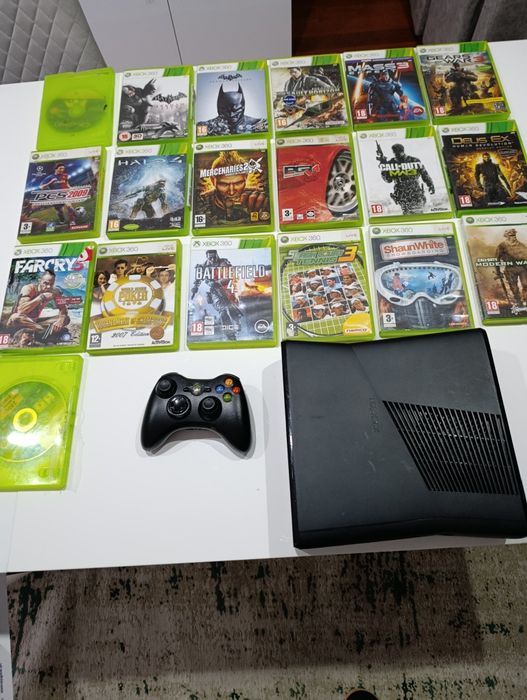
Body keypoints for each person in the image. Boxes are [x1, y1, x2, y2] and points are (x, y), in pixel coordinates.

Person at [196, 150, 269, 226]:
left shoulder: (258, 196)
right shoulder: (201, 201)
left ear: (246, 178)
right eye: (224, 184)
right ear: (212, 180)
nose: (231, 192)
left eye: (238, 183)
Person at [5, 269, 70, 344]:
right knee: (15, 317)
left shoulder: (54, 291)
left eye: (51, 284)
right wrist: (41, 297)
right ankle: (44, 333)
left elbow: (63, 309)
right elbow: (21, 310)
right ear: (40, 281)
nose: (48, 286)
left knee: (66, 318)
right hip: (19, 323)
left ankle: (40, 332)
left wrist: (61, 320)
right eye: (45, 283)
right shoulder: (28, 288)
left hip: (34, 323)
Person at [378, 143, 435, 215]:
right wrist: (383, 166)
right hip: (402, 194)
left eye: (398, 152)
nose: (396, 154)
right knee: (407, 214)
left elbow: (424, 174)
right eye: (395, 152)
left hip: (415, 191)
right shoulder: (391, 163)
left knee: (418, 212)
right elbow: (388, 180)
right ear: (393, 152)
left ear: (402, 151)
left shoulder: (414, 160)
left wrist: (430, 185)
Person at [197, 83, 266, 136]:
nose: (231, 115)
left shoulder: (257, 123)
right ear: (219, 108)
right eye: (226, 111)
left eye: (236, 110)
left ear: (243, 107)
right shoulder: (209, 126)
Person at [495, 228, 527, 306]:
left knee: (525, 284)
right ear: (507, 236)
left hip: (522, 268)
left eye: (514, 235)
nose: (514, 237)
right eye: (511, 235)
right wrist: (498, 272)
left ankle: (525, 300)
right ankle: (519, 302)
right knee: (514, 288)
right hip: (510, 269)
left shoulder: (521, 245)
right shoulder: (502, 246)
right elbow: (497, 259)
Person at [39, 162, 77, 227]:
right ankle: (62, 220)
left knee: (69, 207)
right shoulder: (50, 177)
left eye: (63, 168)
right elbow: (41, 187)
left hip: (65, 194)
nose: (62, 170)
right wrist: (50, 182)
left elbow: (67, 183)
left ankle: (72, 221)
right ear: (56, 169)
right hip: (56, 196)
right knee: (59, 211)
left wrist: (70, 188)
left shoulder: (65, 175)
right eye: (60, 168)